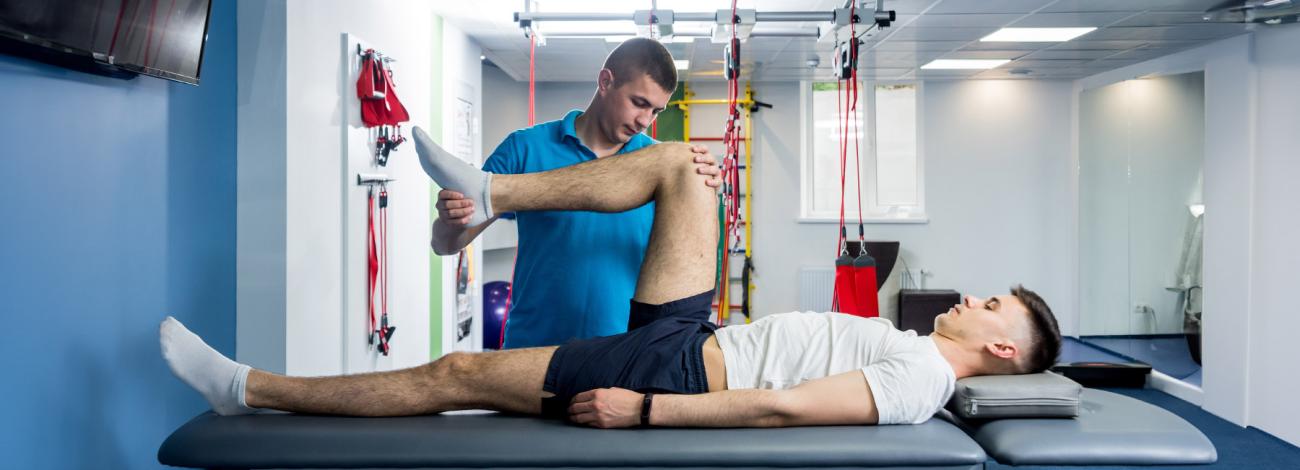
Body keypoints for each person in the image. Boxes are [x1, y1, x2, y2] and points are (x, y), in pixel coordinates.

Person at [161, 136, 1062, 428]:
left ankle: (249, 389)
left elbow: (780, 409)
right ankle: (493, 193)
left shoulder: (923, 378)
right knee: (678, 165)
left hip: (670, 376)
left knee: (457, 375)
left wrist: (646, 412)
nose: (971, 299)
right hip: (697, 336)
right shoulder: (921, 354)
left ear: (999, 346)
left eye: (990, 306)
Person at [432, 37, 720, 348]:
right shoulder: (524, 148)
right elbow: (445, 244)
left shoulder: (659, 167)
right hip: (532, 352)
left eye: (656, 111)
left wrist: (697, 180)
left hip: (620, 359)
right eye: (638, 103)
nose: (644, 121)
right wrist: (452, 219)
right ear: (606, 81)